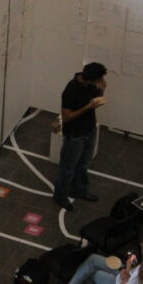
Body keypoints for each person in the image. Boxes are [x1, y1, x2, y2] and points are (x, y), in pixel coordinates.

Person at [52, 62, 107, 211]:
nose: (99, 83)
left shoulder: (91, 85)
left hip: (89, 129)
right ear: (90, 79)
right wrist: (88, 107)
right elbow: (67, 117)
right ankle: (60, 196)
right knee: (68, 168)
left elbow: (96, 97)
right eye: (98, 81)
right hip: (75, 134)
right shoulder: (71, 90)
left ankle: (80, 190)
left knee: (84, 163)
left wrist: (102, 90)